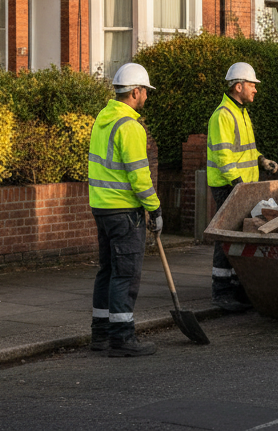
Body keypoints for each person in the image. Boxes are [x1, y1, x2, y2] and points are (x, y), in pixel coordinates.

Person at [88, 62, 162, 357]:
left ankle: (100, 334)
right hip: (125, 213)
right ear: (135, 91)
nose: (146, 96)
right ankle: (122, 338)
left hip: (102, 209)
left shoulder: (102, 119)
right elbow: (139, 176)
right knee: (126, 275)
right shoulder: (130, 126)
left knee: (107, 271)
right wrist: (155, 209)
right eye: (145, 91)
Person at [206, 62, 278, 312]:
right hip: (230, 187)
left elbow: (246, 151)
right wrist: (238, 185)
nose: (255, 90)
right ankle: (222, 291)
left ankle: (239, 288)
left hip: (243, 186)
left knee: (240, 235)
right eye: (252, 85)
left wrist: (261, 160)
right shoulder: (223, 116)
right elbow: (223, 157)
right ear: (238, 86)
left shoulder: (241, 113)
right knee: (226, 235)